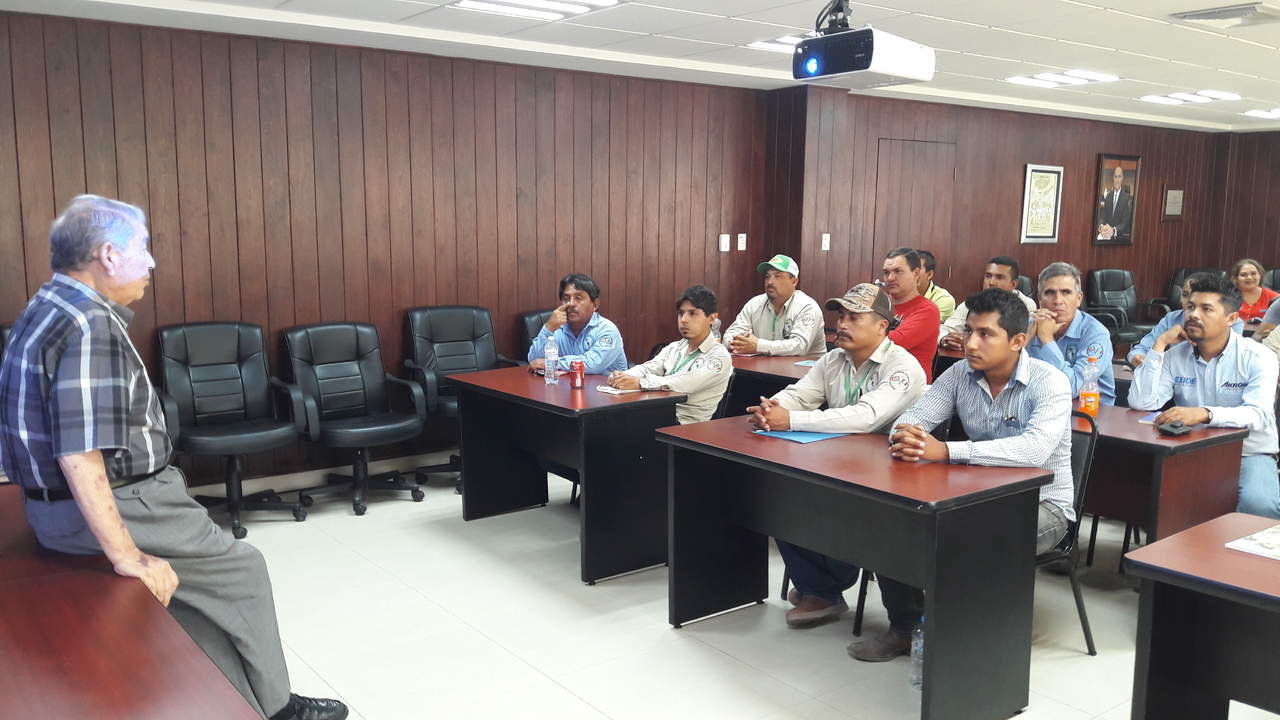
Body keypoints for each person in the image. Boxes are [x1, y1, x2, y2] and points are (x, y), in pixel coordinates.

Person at [0, 196, 347, 720]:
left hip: (48, 507)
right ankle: (281, 710)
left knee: (193, 601)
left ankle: (244, 703)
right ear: (109, 255)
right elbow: (79, 454)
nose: (152, 262)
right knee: (242, 572)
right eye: (143, 248)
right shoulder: (91, 325)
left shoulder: (46, 305)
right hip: (126, 502)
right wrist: (128, 555)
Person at [849, 288, 1075, 662]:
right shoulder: (959, 373)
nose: (970, 343)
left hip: (1043, 506)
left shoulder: (1049, 381)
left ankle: (965, 642)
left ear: (1018, 341)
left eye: (986, 334)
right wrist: (907, 435)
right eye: (969, 330)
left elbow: (1034, 450)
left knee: (969, 540)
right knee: (893, 525)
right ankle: (907, 629)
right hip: (973, 496)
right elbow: (912, 418)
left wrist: (946, 450)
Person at [747, 283, 925, 628]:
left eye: (854, 317)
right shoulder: (834, 359)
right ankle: (821, 588)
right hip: (839, 462)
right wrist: (774, 407)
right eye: (841, 316)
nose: (842, 324)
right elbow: (802, 394)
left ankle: (822, 587)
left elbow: (866, 417)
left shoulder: (902, 367)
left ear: (882, 326)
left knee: (827, 504)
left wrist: (791, 420)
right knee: (778, 494)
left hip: (888, 475)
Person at [1128, 275, 1280, 519]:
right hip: (1191, 449)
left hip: (1248, 452)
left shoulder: (1258, 356)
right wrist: (1159, 345)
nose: (1193, 315)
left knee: (1259, 505)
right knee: (1157, 501)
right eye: (1190, 307)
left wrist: (1205, 413)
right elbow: (1141, 402)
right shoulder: (1175, 355)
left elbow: (1258, 414)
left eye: (1206, 309)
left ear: (1231, 318)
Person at [608, 285, 732, 424]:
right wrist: (623, 377)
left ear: (712, 318)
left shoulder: (719, 356)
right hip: (658, 411)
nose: (684, 319)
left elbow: (684, 383)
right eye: (681, 313)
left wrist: (640, 383)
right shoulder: (674, 347)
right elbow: (648, 368)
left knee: (615, 423)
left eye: (692, 313)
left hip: (684, 425)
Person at [1027, 262, 1116, 406]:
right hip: (1040, 405)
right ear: (1039, 299)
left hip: (1089, 411)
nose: (1058, 301)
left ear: (1079, 298)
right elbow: (1003, 376)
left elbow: (1073, 388)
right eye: (1050, 293)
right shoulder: (1029, 326)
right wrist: (1026, 339)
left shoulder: (1096, 334)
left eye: (1066, 292)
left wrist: (1047, 340)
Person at [1128, 271, 1244, 367]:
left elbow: (1230, 359)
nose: (1190, 300)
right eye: (1185, 294)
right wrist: (1138, 358)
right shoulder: (1172, 318)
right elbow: (1140, 350)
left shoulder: (1231, 322)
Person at [722, 254, 825, 356]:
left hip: (804, 366)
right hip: (763, 365)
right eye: (767, 276)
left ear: (794, 281)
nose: (770, 282)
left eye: (777, 276)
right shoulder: (754, 304)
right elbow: (730, 334)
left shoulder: (807, 306)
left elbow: (799, 346)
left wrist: (758, 346)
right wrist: (737, 344)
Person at [527, 272, 628, 374]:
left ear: (595, 304)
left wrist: (552, 363)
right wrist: (548, 328)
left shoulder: (607, 329)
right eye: (566, 299)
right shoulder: (557, 328)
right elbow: (534, 361)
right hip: (568, 384)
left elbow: (593, 364)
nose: (571, 304)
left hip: (606, 384)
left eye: (578, 298)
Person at [939, 256, 1036, 350]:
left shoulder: (1026, 305)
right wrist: (945, 339)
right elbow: (944, 329)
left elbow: (1021, 340)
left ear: (1013, 284)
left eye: (999, 277)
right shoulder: (972, 304)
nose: (991, 282)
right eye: (988, 276)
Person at [880, 247, 940, 381]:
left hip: (908, 385)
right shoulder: (879, 305)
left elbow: (889, 344)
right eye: (886, 272)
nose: (890, 278)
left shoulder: (928, 310)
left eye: (898, 271)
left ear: (916, 273)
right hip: (876, 379)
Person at [1231, 258, 1278, 324]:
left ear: (1260, 276)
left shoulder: (1275, 298)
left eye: (1253, 273)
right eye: (1243, 275)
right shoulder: (1229, 297)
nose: (1249, 277)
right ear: (1236, 279)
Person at [915, 250, 956, 324]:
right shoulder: (897, 294)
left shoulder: (944, 299)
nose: (910, 274)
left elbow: (922, 326)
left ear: (929, 274)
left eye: (916, 270)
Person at [1096, 165, 1133, 242]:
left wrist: (1113, 231)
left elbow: (1125, 223)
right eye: (1116, 176)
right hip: (1106, 236)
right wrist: (1101, 226)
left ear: (1122, 178)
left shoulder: (1127, 199)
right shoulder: (1108, 196)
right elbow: (1103, 216)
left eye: (1119, 176)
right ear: (1113, 178)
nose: (1117, 179)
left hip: (1119, 237)